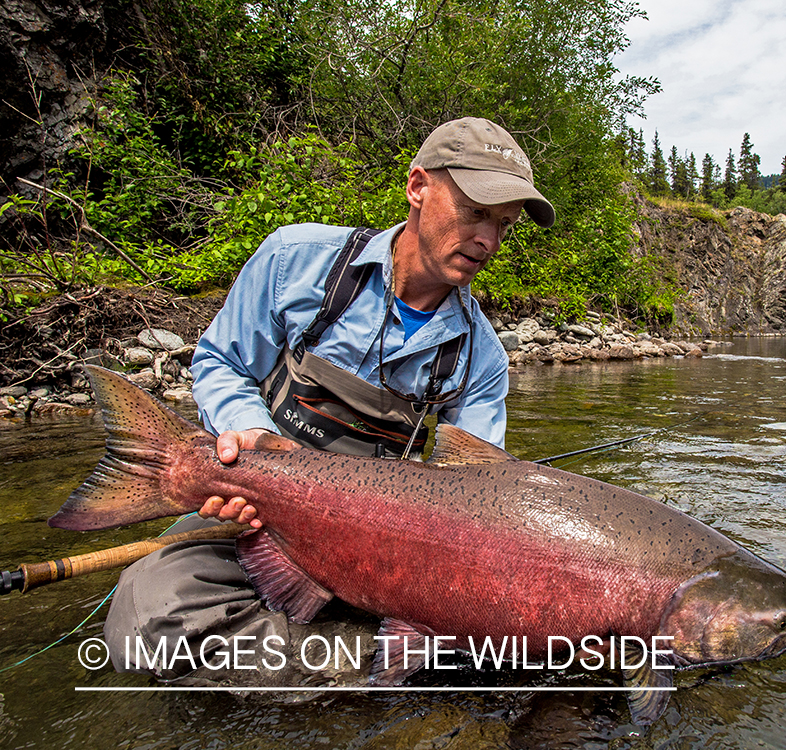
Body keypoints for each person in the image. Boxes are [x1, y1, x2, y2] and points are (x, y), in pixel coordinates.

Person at [101, 117, 555, 678]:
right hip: (253, 509)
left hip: (380, 547)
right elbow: (221, 361)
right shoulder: (296, 260)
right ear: (417, 187)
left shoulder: (482, 358)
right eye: (475, 212)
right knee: (144, 619)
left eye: (504, 225)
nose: (488, 240)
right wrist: (248, 434)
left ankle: (326, 660)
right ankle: (352, 668)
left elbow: (481, 499)